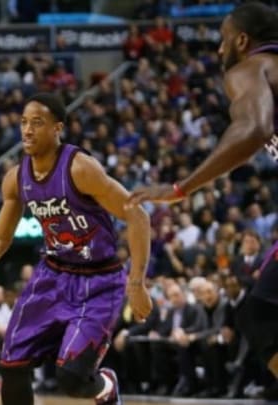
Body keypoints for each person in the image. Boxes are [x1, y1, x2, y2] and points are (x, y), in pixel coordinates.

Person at [0, 93, 152, 405]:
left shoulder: (80, 169)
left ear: (57, 128)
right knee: (12, 364)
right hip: (53, 276)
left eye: (37, 123)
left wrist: (137, 282)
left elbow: (137, 214)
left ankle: (106, 386)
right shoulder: (16, 178)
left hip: (99, 280)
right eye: (23, 123)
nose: (27, 130)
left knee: (73, 379)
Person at [127, 3, 278, 398]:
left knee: (261, 313)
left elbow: (253, 127)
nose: (218, 50)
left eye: (223, 39)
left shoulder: (251, 67)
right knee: (260, 311)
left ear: (242, 40)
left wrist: (181, 188)